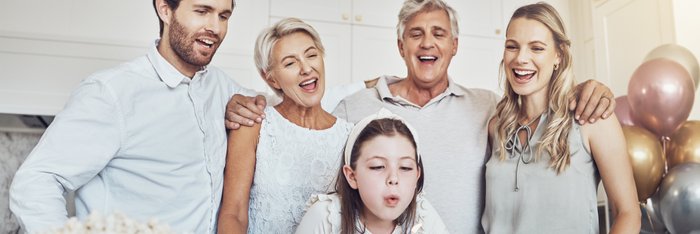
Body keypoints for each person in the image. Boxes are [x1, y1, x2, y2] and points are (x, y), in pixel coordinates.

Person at [225, 0, 616, 232]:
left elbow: (539, 101)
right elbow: (303, 109)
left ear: (455, 46)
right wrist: (250, 100)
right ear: (401, 45)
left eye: (439, 33)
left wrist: (585, 87)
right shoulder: (354, 109)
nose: (427, 42)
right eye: (416, 34)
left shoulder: (490, 108)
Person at [8, 0, 255, 232]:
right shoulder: (111, 93)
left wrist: (250, 104)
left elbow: (278, 107)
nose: (215, 27)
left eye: (224, 16)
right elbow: (35, 181)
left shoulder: (224, 88)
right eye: (202, 11)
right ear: (165, 10)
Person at [481, 3, 640, 233]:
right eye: (512, 46)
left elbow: (628, 213)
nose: (521, 59)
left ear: (559, 55)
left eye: (536, 48)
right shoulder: (496, 127)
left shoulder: (592, 120)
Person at [216, 18, 354, 233]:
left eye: (311, 55)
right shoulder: (254, 124)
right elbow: (233, 213)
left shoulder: (350, 136)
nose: (306, 68)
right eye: (290, 63)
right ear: (271, 79)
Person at [296, 109, 448, 234]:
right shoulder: (326, 217)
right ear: (352, 176)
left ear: (417, 176)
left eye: (405, 168)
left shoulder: (424, 216)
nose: (393, 179)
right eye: (378, 167)